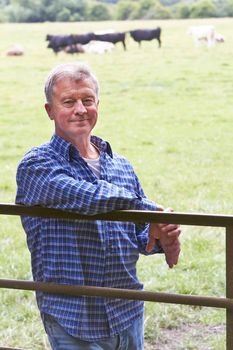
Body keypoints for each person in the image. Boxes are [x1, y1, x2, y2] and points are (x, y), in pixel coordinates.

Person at [15, 62, 181, 350]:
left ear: (97, 105)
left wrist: (162, 237)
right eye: (68, 101)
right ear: (50, 110)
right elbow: (87, 197)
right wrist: (149, 207)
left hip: (126, 310)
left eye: (87, 100)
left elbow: (139, 236)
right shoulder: (37, 165)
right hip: (74, 316)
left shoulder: (121, 166)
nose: (80, 109)